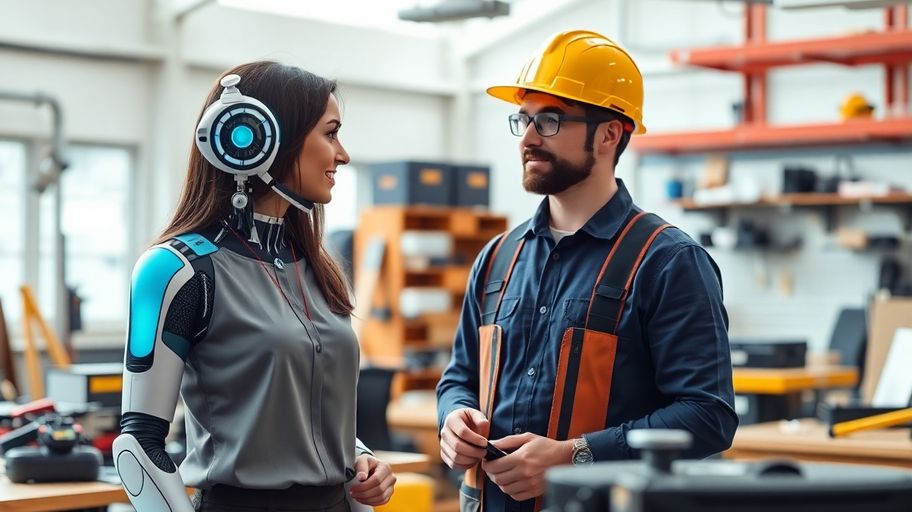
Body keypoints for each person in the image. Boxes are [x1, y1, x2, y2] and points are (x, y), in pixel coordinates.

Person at [436, 30, 738, 511]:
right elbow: (459, 377)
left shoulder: (668, 261)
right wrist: (453, 418)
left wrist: (576, 456)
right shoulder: (497, 257)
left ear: (609, 134)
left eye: (549, 120)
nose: (528, 138)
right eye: (523, 119)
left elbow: (707, 417)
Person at [113, 61, 396, 512]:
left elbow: (309, 415)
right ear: (259, 137)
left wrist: (360, 458)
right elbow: (139, 444)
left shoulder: (318, 267)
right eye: (330, 134)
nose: (342, 155)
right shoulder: (178, 269)